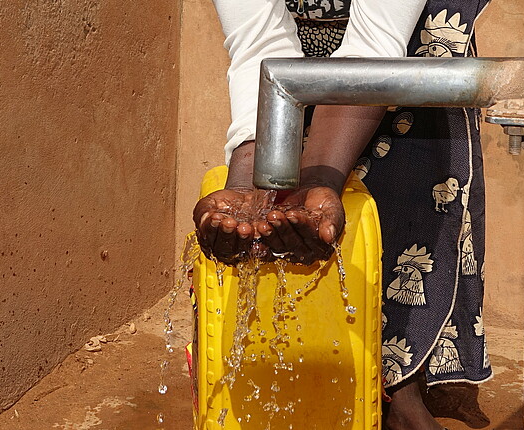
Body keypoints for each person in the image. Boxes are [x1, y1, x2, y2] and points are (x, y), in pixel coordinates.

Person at [193, 1, 493, 428]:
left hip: (407, 28)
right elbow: (257, 43)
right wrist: (253, 178)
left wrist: (319, 179)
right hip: (307, 27)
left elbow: (376, 42)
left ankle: (402, 382)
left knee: (412, 120)